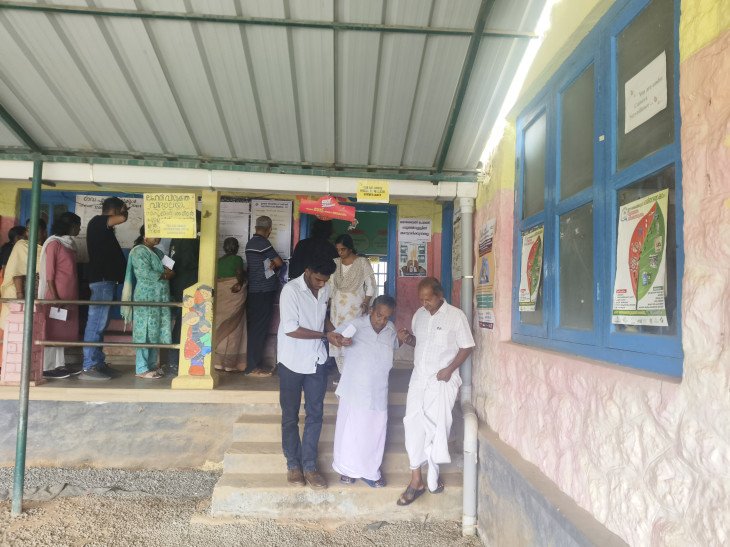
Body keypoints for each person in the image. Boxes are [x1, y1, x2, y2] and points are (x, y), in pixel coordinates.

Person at [395, 277, 475, 506]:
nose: (424, 303)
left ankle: (432, 477)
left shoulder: (455, 316)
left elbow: (467, 346)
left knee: (437, 428)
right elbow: (421, 343)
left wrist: (450, 369)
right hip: (418, 380)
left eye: (428, 299)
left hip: (442, 381)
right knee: (412, 425)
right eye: (421, 299)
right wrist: (408, 339)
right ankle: (416, 480)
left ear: (440, 295)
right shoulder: (419, 315)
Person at [277, 252, 347, 490]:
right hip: (291, 360)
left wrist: (333, 331)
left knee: (315, 414)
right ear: (307, 271)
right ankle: (293, 465)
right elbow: (290, 329)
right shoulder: (291, 291)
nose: (322, 284)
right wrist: (325, 335)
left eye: (325, 281)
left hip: (316, 360)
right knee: (290, 415)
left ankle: (309, 466)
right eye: (318, 279)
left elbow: (321, 317)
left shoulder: (324, 290)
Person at [332, 295, 398, 487]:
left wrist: (403, 339)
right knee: (350, 432)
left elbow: (395, 345)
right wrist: (340, 340)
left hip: (378, 389)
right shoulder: (356, 325)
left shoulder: (390, 329)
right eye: (379, 315)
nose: (382, 320)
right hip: (355, 389)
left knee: (374, 431)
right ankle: (346, 470)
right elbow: (335, 337)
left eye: (386, 317)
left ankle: (370, 471)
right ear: (371, 310)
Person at [81, 196, 128, 381]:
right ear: (114, 210)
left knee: (100, 325)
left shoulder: (103, 228)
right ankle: (89, 365)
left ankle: (98, 363)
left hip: (106, 281)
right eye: (121, 209)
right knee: (96, 324)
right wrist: (124, 209)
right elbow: (122, 218)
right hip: (101, 281)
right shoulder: (98, 221)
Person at [121, 225, 174, 380]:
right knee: (144, 331)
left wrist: (169, 272)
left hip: (159, 297)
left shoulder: (157, 252)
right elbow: (145, 273)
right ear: (145, 235)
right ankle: (141, 368)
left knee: (154, 332)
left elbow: (170, 267)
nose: (158, 237)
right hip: (146, 297)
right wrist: (166, 275)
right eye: (154, 234)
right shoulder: (139, 251)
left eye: (159, 234)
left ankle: (151, 365)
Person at [39, 212, 82, 379]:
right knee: (51, 331)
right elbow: (50, 275)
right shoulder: (54, 244)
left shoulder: (69, 244)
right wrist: (55, 297)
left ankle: (59, 365)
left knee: (61, 332)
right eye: (78, 226)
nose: (79, 229)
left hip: (69, 295)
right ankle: (47, 367)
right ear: (71, 226)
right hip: (56, 296)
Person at [329, 234, 377, 373]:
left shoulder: (362, 262)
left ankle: (355, 374)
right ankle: (343, 375)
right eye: (338, 249)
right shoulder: (335, 263)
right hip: (337, 309)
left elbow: (371, 285)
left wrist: (366, 303)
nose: (340, 252)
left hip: (355, 308)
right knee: (338, 337)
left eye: (343, 249)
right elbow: (330, 286)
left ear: (350, 248)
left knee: (354, 337)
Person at [244, 216, 283, 377]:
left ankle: (253, 365)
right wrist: (273, 264)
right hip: (263, 291)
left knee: (256, 328)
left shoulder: (251, 243)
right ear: (269, 229)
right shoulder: (263, 243)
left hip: (255, 290)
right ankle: (253, 367)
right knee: (259, 329)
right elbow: (279, 262)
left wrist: (270, 263)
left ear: (255, 227)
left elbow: (266, 263)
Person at [167, 210, 201, 374]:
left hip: (177, 284)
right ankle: (175, 362)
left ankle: (175, 361)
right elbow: (189, 263)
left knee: (181, 322)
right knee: (183, 324)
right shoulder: (190, 239)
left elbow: (169, 261)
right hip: (187, 285)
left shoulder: (176, 238)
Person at [0, 219, 47, 331]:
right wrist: (20, 295)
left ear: (44, 232)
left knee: (36, 327)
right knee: (17, 326)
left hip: (40, 291)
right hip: (21, 291)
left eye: (36, 229)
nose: (31, 232)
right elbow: (17, 272)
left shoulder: (47, 247)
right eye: (28, 229)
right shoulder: (21, 246)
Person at [213, 237, 248, 372]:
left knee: (219, 323)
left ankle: (217, 361)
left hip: (221, 296)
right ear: (237, 248)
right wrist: (240, 283)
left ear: (224, 248)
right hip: (233, 295)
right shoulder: (237, 259)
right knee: (234, 327)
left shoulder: (218, 261)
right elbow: (239, 273)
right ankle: (229, 364)